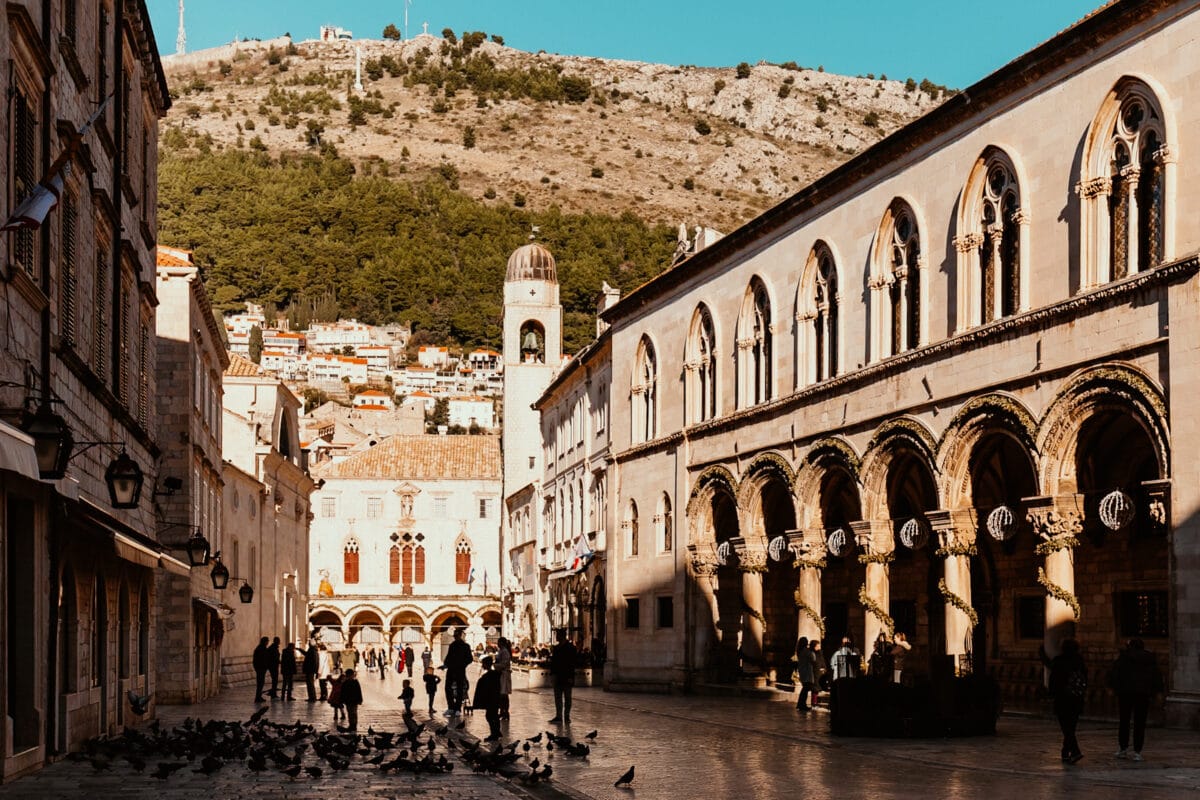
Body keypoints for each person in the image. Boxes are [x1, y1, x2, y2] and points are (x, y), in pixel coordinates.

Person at [1110, 638, 1163, 762]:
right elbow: (1156, 676)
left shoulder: (1124, 657)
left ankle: (1123, 748)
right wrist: (1157, 692)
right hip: (1143, 694)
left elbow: (1115, 674)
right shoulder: (1150, 658)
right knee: (1140, 723)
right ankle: (1137, 751)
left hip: (1125, 693)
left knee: (1124, 721)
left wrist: (1114, 689)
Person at [1042, 638, 1087, 763]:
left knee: (1066, 728)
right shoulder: (1080, 661)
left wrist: (1051, 695)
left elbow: (1054, 681)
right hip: (1077, 698)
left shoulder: (1059, 661)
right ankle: (1066, 752)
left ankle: (1075, 751)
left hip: (1063, 699)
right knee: (1071, 727)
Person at [548, 629, 578, 724]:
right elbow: (554, 663)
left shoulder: (571, 648)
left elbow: (572, 663)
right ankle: (559, 716)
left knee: (567, 697)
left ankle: (567, 716)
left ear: (562, 636)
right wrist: (552, 674)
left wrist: (571, 677)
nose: (556, 637)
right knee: (558, 697)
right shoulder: (556, 648)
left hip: (567, 676)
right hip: (558, 676)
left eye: (557, 635)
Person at [442, 628, 474, 716]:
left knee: (460, 689)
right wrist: (445, 664)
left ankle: (457, 708)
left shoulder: (466, 646)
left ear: (460, 635)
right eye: (454, 636)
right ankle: (451, 707)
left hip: (460, 670)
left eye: (456, 636)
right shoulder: (452, 645)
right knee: (448, 688)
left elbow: (470, 659)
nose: (455, 637)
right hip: (451, 670)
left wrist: (462, 665)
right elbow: (448, 657)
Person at [473, 655, 503, 741]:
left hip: (491, 699)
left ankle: (494, 734)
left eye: (483, 664)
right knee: (494, 715)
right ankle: (496, 732)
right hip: (495, 698)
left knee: (490, 716)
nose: (482, 665)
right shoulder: (495, 674)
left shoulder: (489, 676)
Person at [795, 636, 817, 711]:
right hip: (807, 672)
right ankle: (801, 704)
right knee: (805, 689)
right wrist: (812, 650)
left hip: (803, 671)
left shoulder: (800, 651)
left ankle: (801, 704)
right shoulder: (806, 651)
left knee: (805, 688)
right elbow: (813, 658)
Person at [495, 637, 513, 720]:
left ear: (501, 643)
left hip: (504, 674)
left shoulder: (505, 652)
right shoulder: (501, 651)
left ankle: (505, 711)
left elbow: (504, 664)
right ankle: (502, 711)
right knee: (501, 694)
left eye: (498, 642)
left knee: (504, 694)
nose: (497, 644)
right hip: (501, 674)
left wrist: (495, 665)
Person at [252, 637, 270, 703]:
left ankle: (259, 696)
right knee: (260, 683)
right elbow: (261, 659)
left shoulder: (262, 648)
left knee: (261, 683)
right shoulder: (261, 649)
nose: (268, 642)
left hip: (261, 668)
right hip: (261, 668)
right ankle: (257, 698)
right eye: (267, 641)